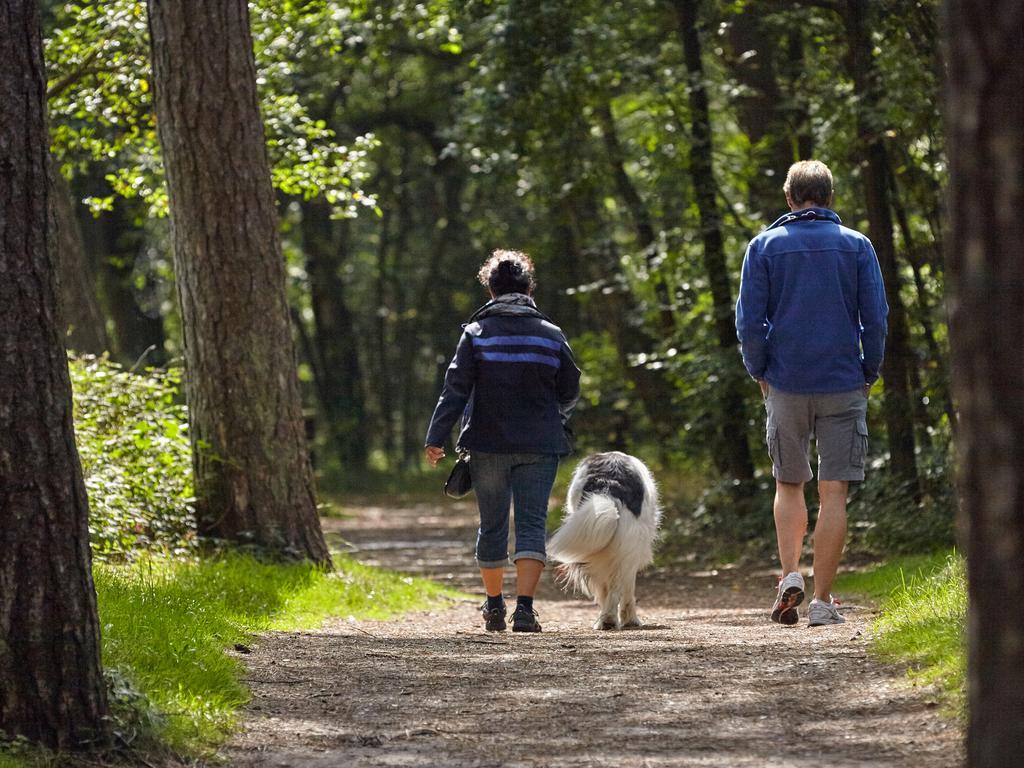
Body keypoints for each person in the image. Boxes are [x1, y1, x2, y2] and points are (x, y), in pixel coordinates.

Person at [735, 160, 889, 627]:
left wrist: (759, 370)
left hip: (785, 381)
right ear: (830, 196)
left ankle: (789, 575)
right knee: (834, 490)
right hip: (843, 379)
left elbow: (748, 321)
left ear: (789, 198)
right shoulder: (857, 246)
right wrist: (870, 369)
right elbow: (876, 317)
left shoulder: (763, 246)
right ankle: (822, 602)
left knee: (788, 483)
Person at [425, 250, 581, 633]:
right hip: (540, 444)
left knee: (492, 524)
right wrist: (554, 417)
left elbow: (455, 389)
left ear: (490, 289)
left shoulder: (476, 333)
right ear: (529, 288)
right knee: (531, 523)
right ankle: (525, 610)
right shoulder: (551, 334)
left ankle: (494, 607)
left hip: (487, 443)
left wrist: (436, 437)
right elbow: (570, 387)